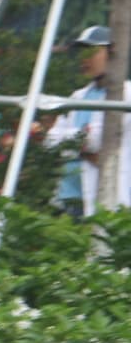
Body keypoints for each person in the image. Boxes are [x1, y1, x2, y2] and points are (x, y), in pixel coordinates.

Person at [47, 25, 131, 216]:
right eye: (81, 52)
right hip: (69, 196)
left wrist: (76, 143)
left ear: (111, 53)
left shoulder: (127, 95)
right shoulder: (78, 96)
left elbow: (97, 139)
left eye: (92, 51)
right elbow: (52, 140)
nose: (85, 58)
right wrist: (82, 146)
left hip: (106, 194)